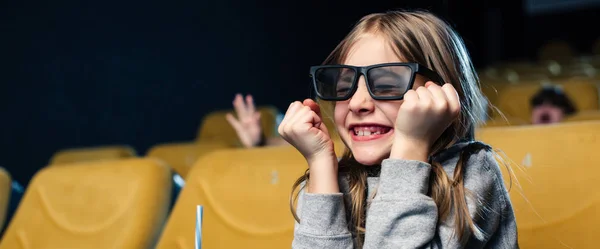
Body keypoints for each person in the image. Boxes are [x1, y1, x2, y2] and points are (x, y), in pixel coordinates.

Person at [277, 10, 518, 248]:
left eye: (387, 84)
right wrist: (320, 163)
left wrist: (411, 143)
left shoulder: (470, 171)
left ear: (441, 94)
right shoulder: (333, 180)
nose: (358, 103)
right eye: (344, 85)